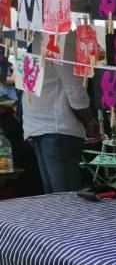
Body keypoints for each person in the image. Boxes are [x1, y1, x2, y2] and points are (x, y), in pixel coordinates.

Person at [23, 32, 99, 193]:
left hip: (40, 126)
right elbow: (75, 89)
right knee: (65, 197)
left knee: (56, 198)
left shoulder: (38, 38)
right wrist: (88, 119)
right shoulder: (58, 37)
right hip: (56, 129)